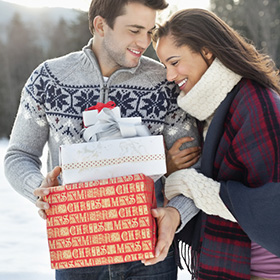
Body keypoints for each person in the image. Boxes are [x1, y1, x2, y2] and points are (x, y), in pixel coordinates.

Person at [4, 1, 202, 279]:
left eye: (149, 31)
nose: (144, 42)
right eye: (134, 30)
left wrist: (176, 214)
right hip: (76, 253)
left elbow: (196, 166)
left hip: (150, 254)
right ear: (100, 26)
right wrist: (39, 188)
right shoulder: (49, 79)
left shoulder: (164, 83)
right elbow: (18, 155)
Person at [151, 8, 280, 280]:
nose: (169, 76)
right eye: (165, 66)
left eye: (174, 62)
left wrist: (188, 183)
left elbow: (272, 205)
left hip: (262, 270)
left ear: (207, 51)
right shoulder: (212, 107)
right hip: (230, 264)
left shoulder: (255, 101)